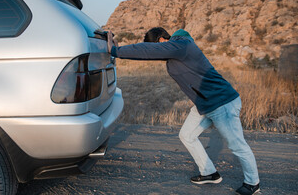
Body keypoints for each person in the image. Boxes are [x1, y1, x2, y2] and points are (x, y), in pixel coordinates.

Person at [107, 27, 260, 195]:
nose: (157, 53)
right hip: (204, 104)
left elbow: (148, 50)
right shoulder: (175, 52)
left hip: (221, 102)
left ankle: (253, 184)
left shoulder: (181, 45)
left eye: (156, 47)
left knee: (237, 145)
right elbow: (147, 53)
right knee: (187, 135)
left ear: (161, 40)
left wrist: (115, 50)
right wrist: (117, 50)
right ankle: (209, 172)